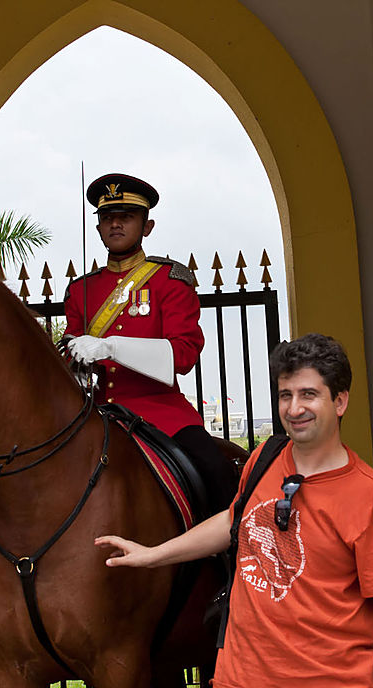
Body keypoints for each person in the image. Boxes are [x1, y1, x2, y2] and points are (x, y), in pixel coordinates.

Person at [95, 334, 373, 688]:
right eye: (286, 395)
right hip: (238, 685)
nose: (294, 409)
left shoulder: (369, 494)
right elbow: (234, 521)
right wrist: (153, 554)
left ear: (340, 401)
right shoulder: (265, 458)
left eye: (308, 394)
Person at [65, 172, 236, 512]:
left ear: (147, 226)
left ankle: (232, 560)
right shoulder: (80, 290)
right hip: (96, 414)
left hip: (161, 412)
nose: (115, 224)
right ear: (98, 228)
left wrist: (110, 346)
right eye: (107, 218)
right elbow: (71, 356)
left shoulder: (169, 281)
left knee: (217, 473)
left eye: (126, 217)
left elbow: (183, 355)